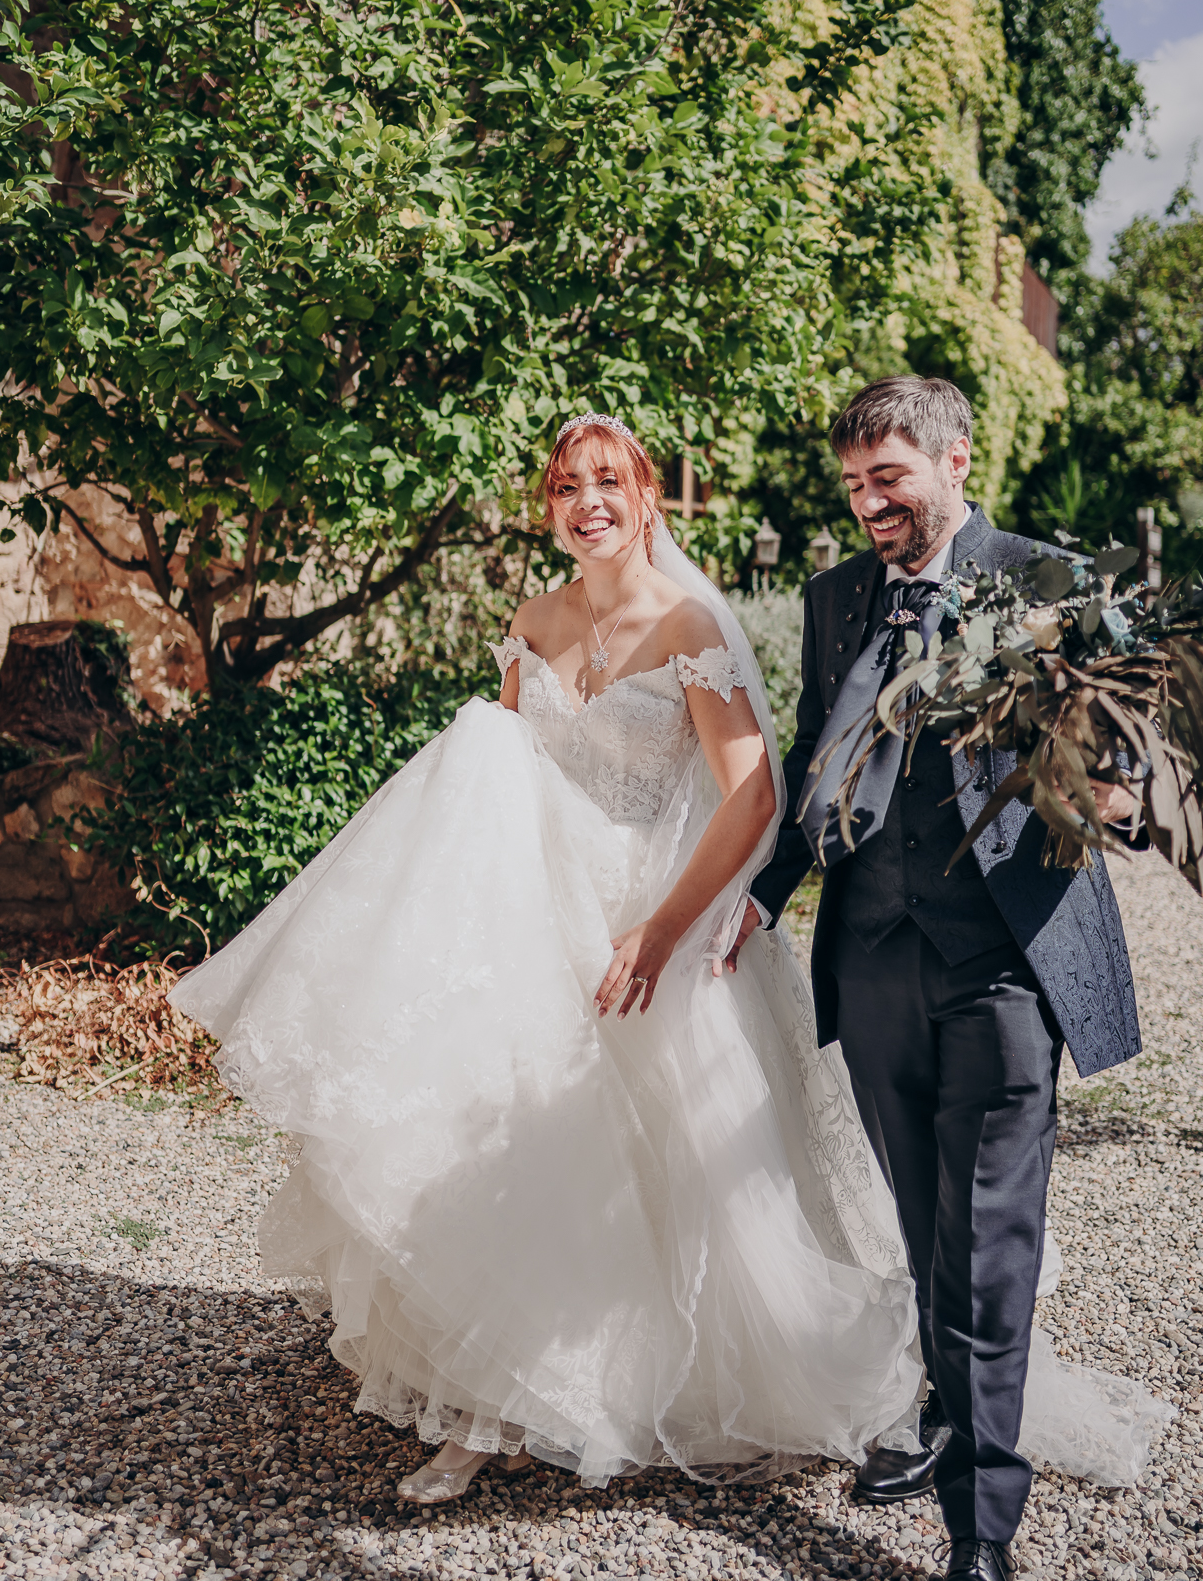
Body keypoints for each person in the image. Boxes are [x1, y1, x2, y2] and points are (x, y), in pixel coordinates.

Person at [172, 411, 928, 1501]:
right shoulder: (532, 616)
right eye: (568, 486)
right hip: (527, 909)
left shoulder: (685, 625)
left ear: (647, 496)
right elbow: (508, 776)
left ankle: (586, 1381)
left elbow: (752, 794)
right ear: (550, 507)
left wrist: (661, 931)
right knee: (495, 1138)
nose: (588, 503)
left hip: (640, 914)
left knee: (606, 1160)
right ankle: (484, 1396)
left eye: (608, 482)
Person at [743, 375, 1168, 1581]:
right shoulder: (835, 600)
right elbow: (810, 760)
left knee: (987, 1245)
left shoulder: (1048, 581)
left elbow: (1132, 750)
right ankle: (945, 1414)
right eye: (854, 485)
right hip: (871, 957)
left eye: (888, 479)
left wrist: (1118, 796)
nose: (868, 502)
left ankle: (980, 1529)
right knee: (927, 1227)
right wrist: (759, 901)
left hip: (1002, 967)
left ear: (952, 460)